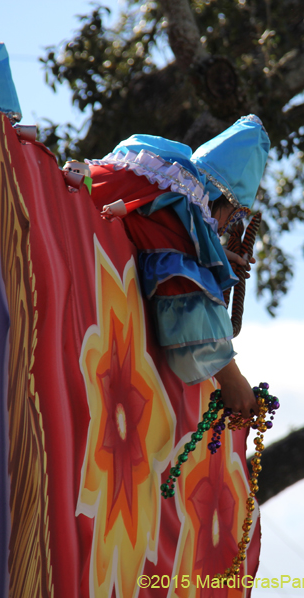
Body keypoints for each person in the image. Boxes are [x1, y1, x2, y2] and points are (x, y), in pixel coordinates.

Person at [86, 115, 270, 416]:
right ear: (220, 200)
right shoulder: (177, 210)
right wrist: (231, 378)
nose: (223, 228)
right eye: (231, 218)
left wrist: (215, 256)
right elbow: (185, 298)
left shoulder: (155, 184)